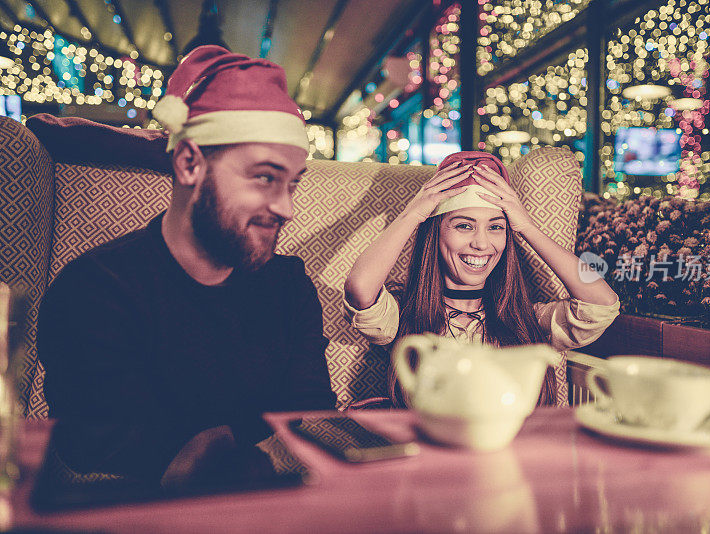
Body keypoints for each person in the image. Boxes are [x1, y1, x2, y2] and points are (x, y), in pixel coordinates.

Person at [37, 45, 336, 485]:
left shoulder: (288, 285)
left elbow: (312, 421)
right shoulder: (95, 289)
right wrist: (241, 439)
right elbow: (102, 455)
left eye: (292, 184)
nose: (287, 207)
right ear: (189, 162)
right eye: (265, 177)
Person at [343, 151, 620, 406]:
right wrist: (413, 214)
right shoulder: (406, 316)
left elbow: (602, 303)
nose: (482, 243)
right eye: (464, 225)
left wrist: (526, 227)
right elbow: (360, 287)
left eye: (496, 227)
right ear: (436, 234)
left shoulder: (528, 321)